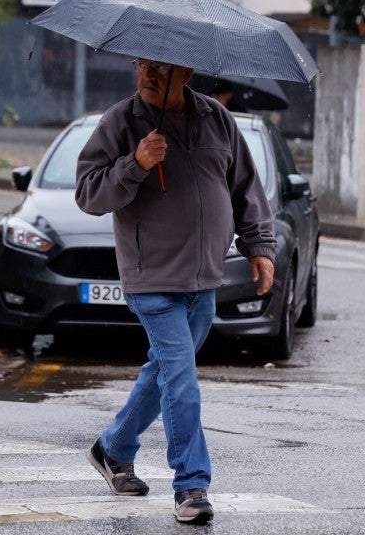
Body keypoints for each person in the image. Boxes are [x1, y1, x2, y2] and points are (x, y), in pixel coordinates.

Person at [75, 57, 276, 525]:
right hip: (152, 278)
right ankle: (192, 485)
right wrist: (135, 164)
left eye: (161, 70)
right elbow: (88, 194)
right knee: (181, 379)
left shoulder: (216, 119)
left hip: (204, 276)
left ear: (187, 74)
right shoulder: (120, 122)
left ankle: (113, 448)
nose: (147, 75)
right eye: (142, 65)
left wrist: (258, 247)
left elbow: (244, 188)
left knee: (165, 371)